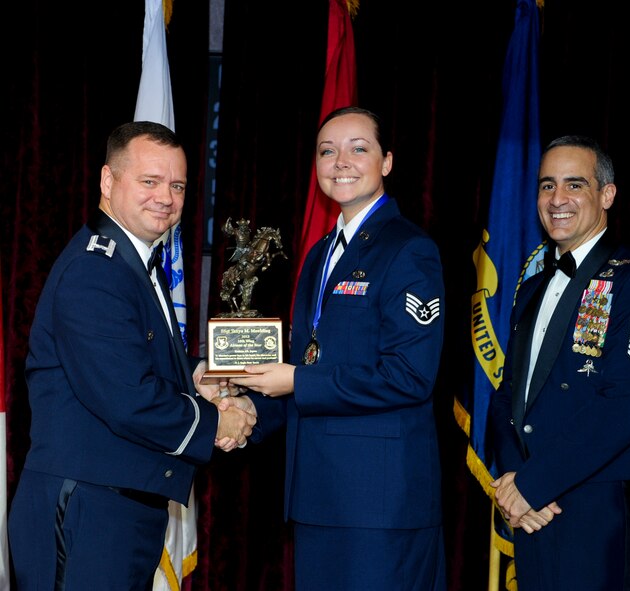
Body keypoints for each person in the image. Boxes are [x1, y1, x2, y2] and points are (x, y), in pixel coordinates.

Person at [8, 121, 256, 590]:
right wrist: (216, 422)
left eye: (177, 184)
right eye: (149, 181)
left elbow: (135, 361)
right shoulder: (95, 271)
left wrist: (195, 380)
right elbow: (126, 397)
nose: (165, 196)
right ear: (108, 181)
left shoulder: (134, 262)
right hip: (86, 507)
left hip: (116, 505)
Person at [227, 106, 447, 590]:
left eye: (358, 148)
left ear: (386, 162)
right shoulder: (319, 254)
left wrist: (295, 381)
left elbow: (410, 376)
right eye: (328, 151)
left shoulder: (408, 250)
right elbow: (310, 366)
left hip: (380, 505)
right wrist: (246, 411)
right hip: (317, 496)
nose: (340, 161)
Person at [489, 135, 630, 590]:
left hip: (601, 512)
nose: (557, 200)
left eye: (574, 185)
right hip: (535, 514)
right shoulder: (532, 289)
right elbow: (508, 394)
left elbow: (624, 406)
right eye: (547, 186)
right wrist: (513, 485)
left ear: (606, 195)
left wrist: (532, 484)